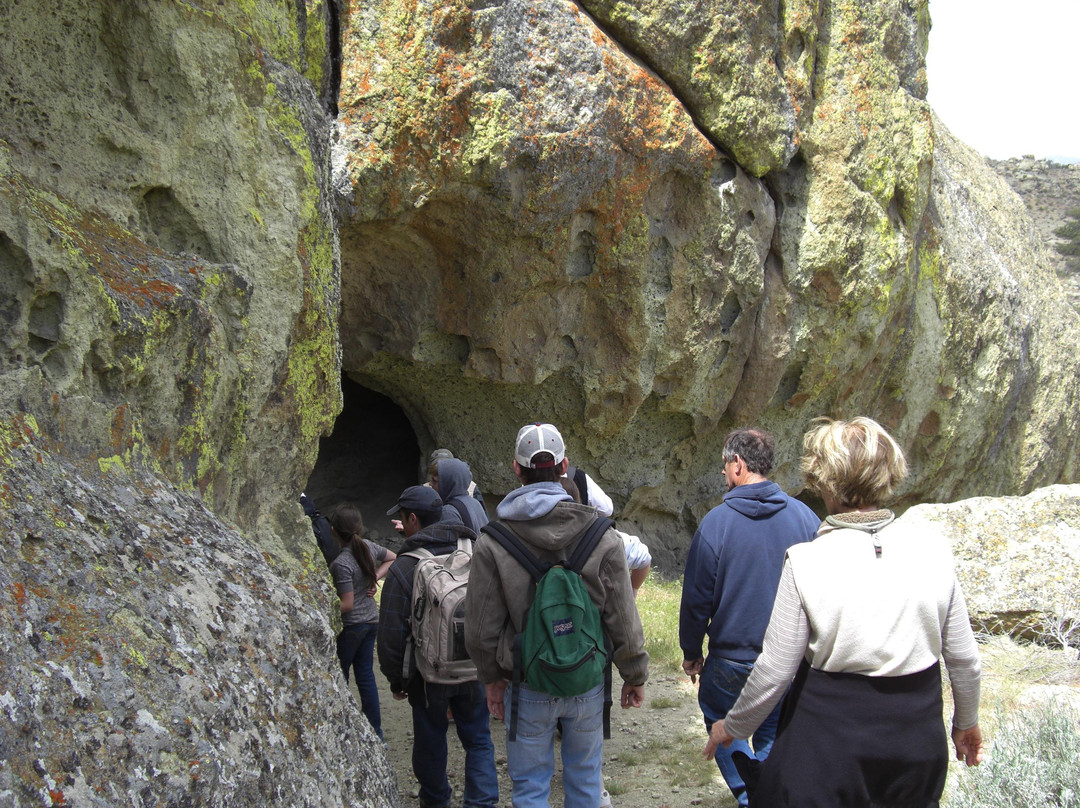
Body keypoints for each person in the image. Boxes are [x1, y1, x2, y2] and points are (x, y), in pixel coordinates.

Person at [705, 416, 984, 806]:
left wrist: (731, 727)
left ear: (822, 479)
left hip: (829, 745)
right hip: (917, 741)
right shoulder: (934, 550)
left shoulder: (806, 561)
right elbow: (966, 661)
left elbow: (775, 670)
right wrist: (966, 723)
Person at [465, 422, 649, 808]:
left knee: (530, 788)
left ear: (516, 469)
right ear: (565, 466)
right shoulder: (603, 534)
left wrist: (490, 680)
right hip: (587, 678)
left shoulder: (492, 541)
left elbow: (481, 627)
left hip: (526, 680)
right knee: (585, 784)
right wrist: (634, 674)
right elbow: (623, 616)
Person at [679, 427, 819, 807]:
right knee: (772, 730)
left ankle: (749, 796)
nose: (723, 475)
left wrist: (691, 653)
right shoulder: (807, 519)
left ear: (738, 464)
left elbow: (696, 601)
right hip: (789, 661)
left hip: (730, 661)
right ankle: (771, 792)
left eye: (725, 466)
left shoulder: (715, 524)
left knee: (724, 724)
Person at [377, 485, 498, 808]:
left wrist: (398, 680)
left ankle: (435, 799)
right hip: (474, 666)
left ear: (413, 519)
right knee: (479, 738)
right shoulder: (475, 549)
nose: (401, 524)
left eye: (402, 518)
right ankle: (482, 801)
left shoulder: (405, 567)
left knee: (430, 739)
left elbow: (390, 633)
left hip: (428, 675)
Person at [328, 504, 396, 740]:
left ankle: (341, 729)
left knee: (341, 675)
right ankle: (375, 732)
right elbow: (392, 558)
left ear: (333, 530)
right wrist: (374, 578)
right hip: (370, 621)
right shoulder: (368, 547)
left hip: (352, 626)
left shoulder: (341, 564)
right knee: (366, 676)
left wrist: (321, 608)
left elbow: (346, 604)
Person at [559, 477, 651, 596]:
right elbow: (643, 557)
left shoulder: (533, 538)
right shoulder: (602, 538)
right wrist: (632, 593)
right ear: (579, 503)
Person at [433, 456, 489, 534]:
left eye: (435, 481)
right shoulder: (474, 503)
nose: (431, 484)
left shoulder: (449, 512)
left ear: (447, 482)